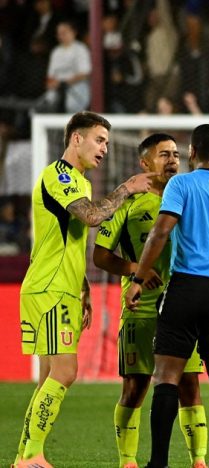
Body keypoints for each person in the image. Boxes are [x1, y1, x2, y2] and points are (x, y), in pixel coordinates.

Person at [15, 111, 155, 467]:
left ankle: (27, 455)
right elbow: (92, 217)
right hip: (49, 289)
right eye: (99, 139)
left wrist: (83, 287)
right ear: (76, 139)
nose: (105, 148)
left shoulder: (78, 181)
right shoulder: (60, 175)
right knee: (65, 372)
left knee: (50, 375)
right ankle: (30, 457)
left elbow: (65, 239)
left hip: (61, 287)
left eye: (107, 142)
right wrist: (127, 188)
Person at [123, 124, 209, 468]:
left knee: (167, 377)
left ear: (192, 153)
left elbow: (160, 232)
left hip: (187, 287)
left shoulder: (181, 184)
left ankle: (158, 462)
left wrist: (139, 277)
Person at [93, 133, 208, 468]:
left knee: (189, 385)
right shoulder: (129, 205)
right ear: (144, 163)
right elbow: (101, 256)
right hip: (140, 308)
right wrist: (136, 270)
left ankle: (198, 461)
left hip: (185, 308)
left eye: (175, 154)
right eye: (163, 155)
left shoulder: (192, 196)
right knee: (135, 387)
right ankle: (127, 462)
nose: (172, 160)